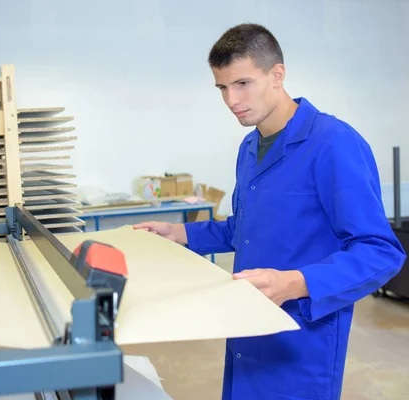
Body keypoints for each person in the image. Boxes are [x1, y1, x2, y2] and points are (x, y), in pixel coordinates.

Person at [134, 23, 406, 400]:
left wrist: (295, 283)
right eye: (222, 88)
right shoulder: (250, 148)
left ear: (277, 74)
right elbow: (244, 228)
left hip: (302, 339)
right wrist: (179, 234)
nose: (231, 100)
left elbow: (380, 251)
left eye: (242, 83)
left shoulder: (334, 144)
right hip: (246, 327)